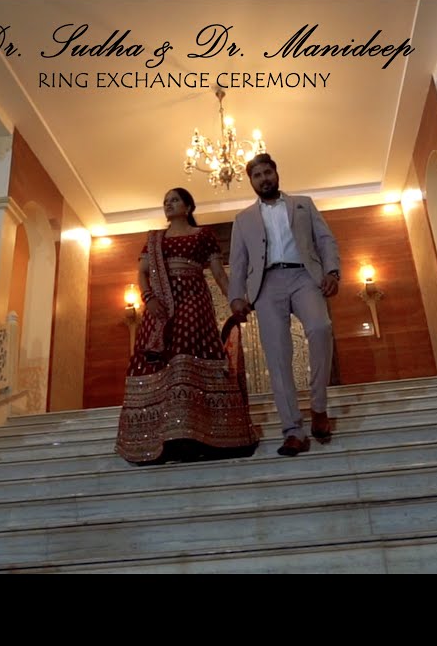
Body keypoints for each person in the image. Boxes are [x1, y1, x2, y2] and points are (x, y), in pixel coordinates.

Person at [114, 187, 260, 465]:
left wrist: (235, 302)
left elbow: (218, 273)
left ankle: (202, 433)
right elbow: (142, 273)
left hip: (194, 302)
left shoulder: (203, 235)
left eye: (174, 200)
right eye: (165, 201)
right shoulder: (155, 240)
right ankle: (164, 437)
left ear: (188, 206)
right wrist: (148, 298)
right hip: (160, 311)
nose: (168, 205)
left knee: (188, 357)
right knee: (162, 363)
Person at [228, 153, 341, 456]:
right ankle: (293, 430)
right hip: (266, 285)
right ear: (251, 181)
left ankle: (318, 408)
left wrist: (331, 271)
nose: (263, 178)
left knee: (320, 328)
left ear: (276, 173)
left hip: (304, 276)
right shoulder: (243, 220)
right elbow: (237, 262)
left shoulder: (303, 204)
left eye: (268, 172)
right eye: (257, 175)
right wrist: (236, 296)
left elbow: (326, 240)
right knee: (278, 356)